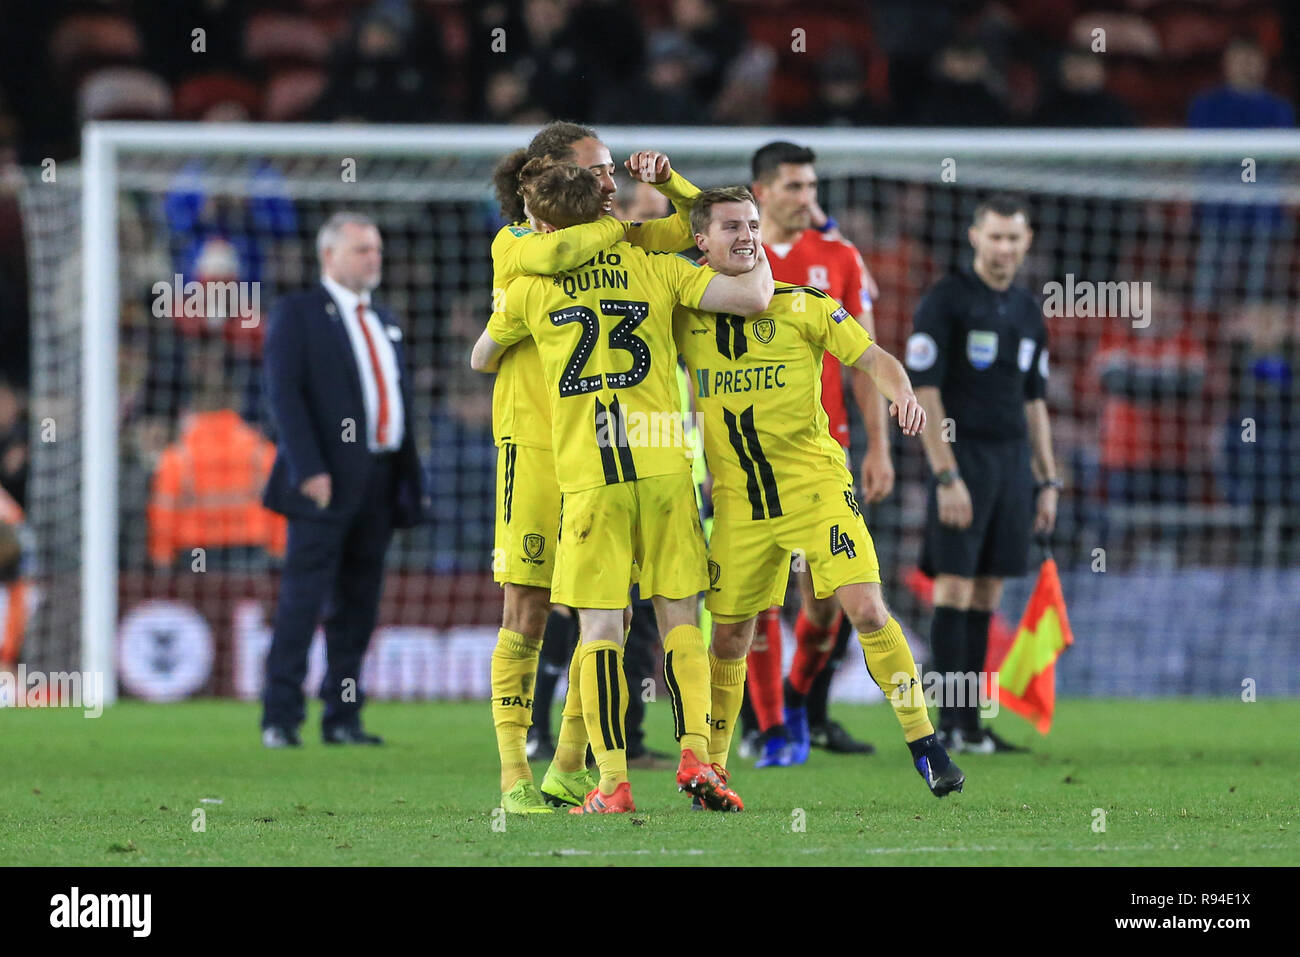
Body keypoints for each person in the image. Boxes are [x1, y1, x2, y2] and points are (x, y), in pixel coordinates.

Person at [473, 159, 773, 813]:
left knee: (602, 628)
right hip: (667, 466)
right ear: (604, 209)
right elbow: (752, 295)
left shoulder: (528, 284)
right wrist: (753, 239)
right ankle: (697, 751)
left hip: (589, 475)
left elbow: (481, 355)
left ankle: (611, 784)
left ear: (546, 221)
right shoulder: (656, 263)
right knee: (679, 619)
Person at [673, 185, 963, 803]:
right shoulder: (684, 316)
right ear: (701, 241)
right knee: (729, 637)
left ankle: (926, 745)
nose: (747, 234)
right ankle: (714, 771)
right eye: (730, 226)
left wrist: (903, 395)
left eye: (753, 224)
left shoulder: (804, 305)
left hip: (816, 489)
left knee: (864, 608)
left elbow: (874, 357)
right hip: (739, 503)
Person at [743, 140, 890, 766]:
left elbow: (864, 362)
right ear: (762, 192)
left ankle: (797, 701)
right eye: (795, 187)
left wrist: (878, 446)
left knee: (825, 603)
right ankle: (769, 728)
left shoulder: (838, 257)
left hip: (823, 453)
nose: (809, 199)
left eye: (812, 186)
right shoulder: (725, 257)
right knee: (751, 603)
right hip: (742, 457)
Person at [259, 212, 427, 748]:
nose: (373, 259)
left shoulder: (385, 318)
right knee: (302, 600)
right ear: (328, 256)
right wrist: (309, 468)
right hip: (324, 481)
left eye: (376, 249)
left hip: (378, 479)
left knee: (359, 603)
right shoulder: (299, 313)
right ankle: (280, 718)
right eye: (361, 250)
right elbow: (284, 397)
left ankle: (343, 715)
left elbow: (395, 401)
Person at [905, 194, 1057, 753]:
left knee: (988, 589)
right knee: (954, 584)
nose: (1004, 248)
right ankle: (946, 723)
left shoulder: (1026, 310)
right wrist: (946, 476)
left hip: (1013, 464)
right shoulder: (946, 301)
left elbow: (1035, 401)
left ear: (1028, 241)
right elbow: (925, 390)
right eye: (994, 237)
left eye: (1013, 239)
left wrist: (1048, 479)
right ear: (974, 237)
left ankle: (969, 726)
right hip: (961, 459)